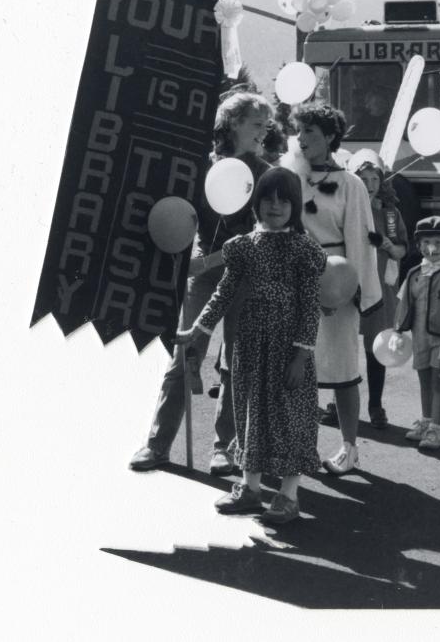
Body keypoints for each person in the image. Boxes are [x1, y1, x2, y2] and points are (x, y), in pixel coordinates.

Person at [129, 92, 273, 475]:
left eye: (265, 126)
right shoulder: (199, 165)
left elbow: (260, 236)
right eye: (256, 124)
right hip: (203, 276)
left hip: (244, 275)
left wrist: (209, 259)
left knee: (235, 362)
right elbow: (183, 217)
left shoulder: (265, 173)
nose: (264, 132)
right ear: (233, 124)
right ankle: (157, 445)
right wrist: (189, 256)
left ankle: (223, 448)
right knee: (186, 354)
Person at [175, 168, 327, 523]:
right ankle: (250, 489)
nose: (275, 206)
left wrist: (301, 356)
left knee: (291, 417)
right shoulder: (245, 247)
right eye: (268, 198)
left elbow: (310, 306)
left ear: (295, 206)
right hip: (251, 344)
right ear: (256, 203)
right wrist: (196, 331)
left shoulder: (304, 250)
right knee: (250, 414)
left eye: (284, 200)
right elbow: (223, 294)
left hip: (289, 348)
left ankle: (289, 496)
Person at [280, 102, 382, 474]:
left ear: (330, 138)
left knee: (341, 371)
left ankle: (349, 448)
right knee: (295, 369)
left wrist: (345, 291)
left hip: (336, 283)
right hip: (294, 281)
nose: (302, 139)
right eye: (299, 131)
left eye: (311, 132)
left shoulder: (351, 184)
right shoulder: (290, 174)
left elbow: (359, 238)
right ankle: (297, 445)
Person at [389, 216, 440, 450]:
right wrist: (398, 331)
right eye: (426, 242)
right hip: (420, 337)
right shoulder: (413, 273)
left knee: (439, 383)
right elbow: (403, 305)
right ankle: (425, 420)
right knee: (424, 381)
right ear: (419, 245)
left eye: (438, 243)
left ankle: (436, 429)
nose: (431, 248)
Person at [349, 149, 408, 429]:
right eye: (364, 177)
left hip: (380, 288)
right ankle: (338, 402)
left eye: (375, 178)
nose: (370, 184)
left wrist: (384, 242)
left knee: (376, 347)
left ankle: (375, 405)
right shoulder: (346, 208)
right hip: (349, 285)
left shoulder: (391, 213)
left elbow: (400, 251)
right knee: (344, 345)